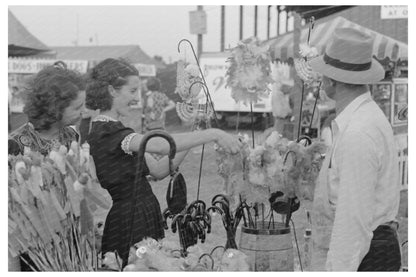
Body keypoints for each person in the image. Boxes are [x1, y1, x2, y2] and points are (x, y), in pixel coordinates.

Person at [85, 58, 242, 267]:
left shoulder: (116, 129)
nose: (135, 98)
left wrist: (196, 132)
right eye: (132, 91)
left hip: (143, 211)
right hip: (130, 218)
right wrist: (212, 134)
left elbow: (159, 170)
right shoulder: (107, 132)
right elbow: (160, 145)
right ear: (112, 91)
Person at [309, 28, 401, 271]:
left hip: (366, 257)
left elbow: (353, 220)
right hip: (369, 250)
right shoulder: (360, 120)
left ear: (331, 80)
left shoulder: (358, 131)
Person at [8, 61, 86, 271]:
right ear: (54, 108)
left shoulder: (71, 135)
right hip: (35, 247)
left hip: (72, 239)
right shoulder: (15, 144)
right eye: (77, 107)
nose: (83, 111)